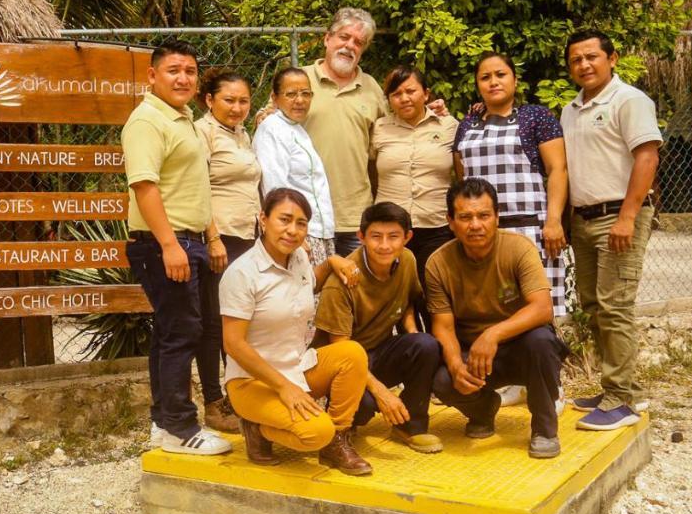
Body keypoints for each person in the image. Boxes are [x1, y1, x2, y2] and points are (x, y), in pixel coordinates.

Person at [123, 39, 231, 456]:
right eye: (173, 70)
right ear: (152, 76)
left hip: (190, 239)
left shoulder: (182, 119)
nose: (182, 78)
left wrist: (211, 235)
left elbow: (193, 188)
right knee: (182, 333)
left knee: (174, 332)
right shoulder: (147, 121)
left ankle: (163, 422)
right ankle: (180, 429)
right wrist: (170, 245)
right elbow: (144, 185)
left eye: (189, 70)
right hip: (164, 243)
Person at [220, 187, 372, 475]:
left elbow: (304, 287)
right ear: (263, 220)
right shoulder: (242, 274)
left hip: (296, 369)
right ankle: (257, 428)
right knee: (315, 432)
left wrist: (330, 262)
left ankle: (336, 442)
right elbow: (233, 344)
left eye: (301, 223)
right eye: (284, 220)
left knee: (351, 354)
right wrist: (283, 387)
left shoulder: (299, 259)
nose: (292, 230)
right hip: (252, 382)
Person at [561, 29, 662, 431]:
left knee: (615, 306)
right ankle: (622, 389)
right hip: (582, 219)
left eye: (591, 57)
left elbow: (647, 157)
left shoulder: (630, 100)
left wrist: (627, 215)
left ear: (612, 58)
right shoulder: (571, 109)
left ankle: (621, 400)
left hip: (620, 217)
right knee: (595, 307)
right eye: (575, 60)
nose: (583, 65)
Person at [428, 178, 567, 459]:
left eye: (483, 216)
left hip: (520, 349)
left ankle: (544, 428)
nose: (475, 225)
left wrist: (493, 335)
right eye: (465, 217)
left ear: (496, 217)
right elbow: (442, 327)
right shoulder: (438, 263)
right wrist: (456, 366)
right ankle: (482, 409)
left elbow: (542, 308)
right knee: (441, 378)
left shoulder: (519, 248)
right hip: (475, 357)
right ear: (451, 221)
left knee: (542, 341)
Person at [315, 202, 444, 453]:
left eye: (393, 236)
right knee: (361, 408)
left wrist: (413, 336)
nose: (385, 245)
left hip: (379, 351)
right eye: (376, 236)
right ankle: (343, 426)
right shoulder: (341, 281)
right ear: (361, 236)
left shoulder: (406, 259)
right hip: (344, 363)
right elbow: (340, 348)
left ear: (407, 238)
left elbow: (406, 301)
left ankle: (410, 426)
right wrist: (383, 393)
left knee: (426, 345)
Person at [454, 52, 571, 322]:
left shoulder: (536, 117)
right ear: (477, 85)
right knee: (490, 311)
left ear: (515, 81)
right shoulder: (467, 124)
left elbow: (557, 170)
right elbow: (463, 179)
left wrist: (553, 221)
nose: (493, 82)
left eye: (500, 75)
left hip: (530, 229)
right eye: (485, 77)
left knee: (538, 312)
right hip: (481, 233)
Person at [192, 68, 262, 434]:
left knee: (239, 321)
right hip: (220, 239)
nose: (237, 107)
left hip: (246, 238)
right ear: (209, 100)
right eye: (229, 100)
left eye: (243, 101)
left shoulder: (240, 133)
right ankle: (213, 401)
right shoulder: (202, 132)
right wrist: (213, 238)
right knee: (213, 324)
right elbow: (198, 188)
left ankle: (239, 397)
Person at [298, 8, 389, 256]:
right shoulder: (299, 80)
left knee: (355, 290)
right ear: (328, 38)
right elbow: (270, 128)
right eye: (344, 37)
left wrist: (434, 112)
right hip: (306, 215)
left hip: (355, 217)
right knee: (312, 291)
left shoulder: (372, 89)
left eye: (358, 42)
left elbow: (389, 140)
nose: (350, 46)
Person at [371, 65, 459, 291]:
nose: (404, 98)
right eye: (396, 94)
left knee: (435, 294)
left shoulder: (449, 126)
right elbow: (371, 172)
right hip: (389, 230)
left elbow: (462, 175)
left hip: (436, 226)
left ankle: (434, 329)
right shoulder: (379, 128)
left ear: (426, 94)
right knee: (394, 296)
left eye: (410, 91)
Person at [253, 68, 337, 265]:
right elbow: (274, 188)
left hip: (316, 230)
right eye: (291, 94)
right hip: (297, 233)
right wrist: (294, 236)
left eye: (305, 93)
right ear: (274, 98)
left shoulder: (295, 128)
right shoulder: (272, 129)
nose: (300, 100)